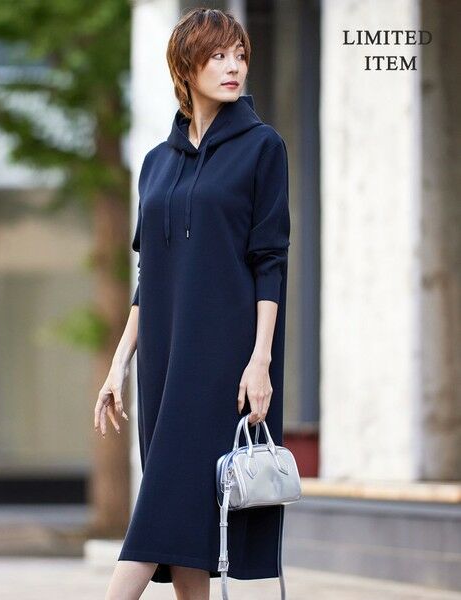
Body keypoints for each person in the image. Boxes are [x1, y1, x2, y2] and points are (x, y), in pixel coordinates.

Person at [94, 7, 291, 600]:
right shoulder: (156, 163)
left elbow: (270, 261)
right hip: (162, 363)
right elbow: (147, 276)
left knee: (159, 514)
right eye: (218, 56)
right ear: (186, 66)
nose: (234, 67)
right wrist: (118, 365)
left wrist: (260, 360)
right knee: (188, 530)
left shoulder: (263, 148)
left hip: (223, 363)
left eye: (240, 55)